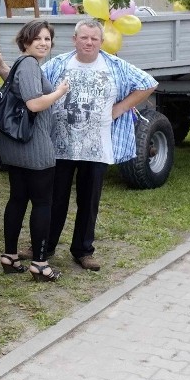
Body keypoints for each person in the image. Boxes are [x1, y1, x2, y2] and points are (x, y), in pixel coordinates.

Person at [40, 18, 158, 271]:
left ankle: (83, 250)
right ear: (75, 40)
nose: (89, 42)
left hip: (97, 148)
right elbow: (31, 83)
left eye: (94, 38)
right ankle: (45, 247)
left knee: (89, 200)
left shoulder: (114, 65)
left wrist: (119, 108)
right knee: (55, 198)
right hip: (60, 146)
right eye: (84, 37)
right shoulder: (59, 64)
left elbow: (148, 83)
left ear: (102, 42)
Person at [0, 19, 69, 282]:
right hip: (34, 148)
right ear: (26, 41)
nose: (44, 43)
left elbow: (17, 90)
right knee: (43, 203)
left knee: (17, 199)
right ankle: (40, 264)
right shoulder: (29, 65)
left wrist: (1, 66)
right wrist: (59, 92)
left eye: (47, 39)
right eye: (38, 39)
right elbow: (34, 103)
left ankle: (10, 257)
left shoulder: (21, 65)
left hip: (16, 146)